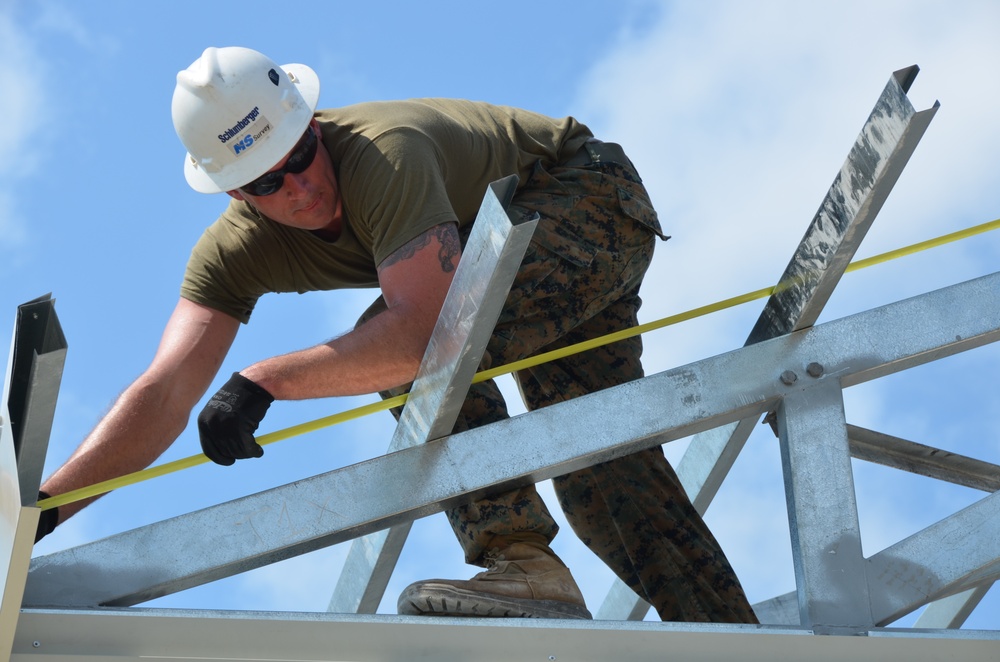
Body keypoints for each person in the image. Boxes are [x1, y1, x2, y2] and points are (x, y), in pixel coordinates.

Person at [36, 46, 757, 623]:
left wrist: (266, 380)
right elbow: (164, 393)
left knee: (404, 342)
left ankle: (518, 557)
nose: (301, 187)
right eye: (268, 183)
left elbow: (423, 337)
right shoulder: (231, 254)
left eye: (301, 154)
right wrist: (41, 512)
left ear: (314, 124)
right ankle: (733, 640)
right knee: (604, 474)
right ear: (235, 193)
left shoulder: (385, 152)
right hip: (508, 251)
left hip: (586, 200)